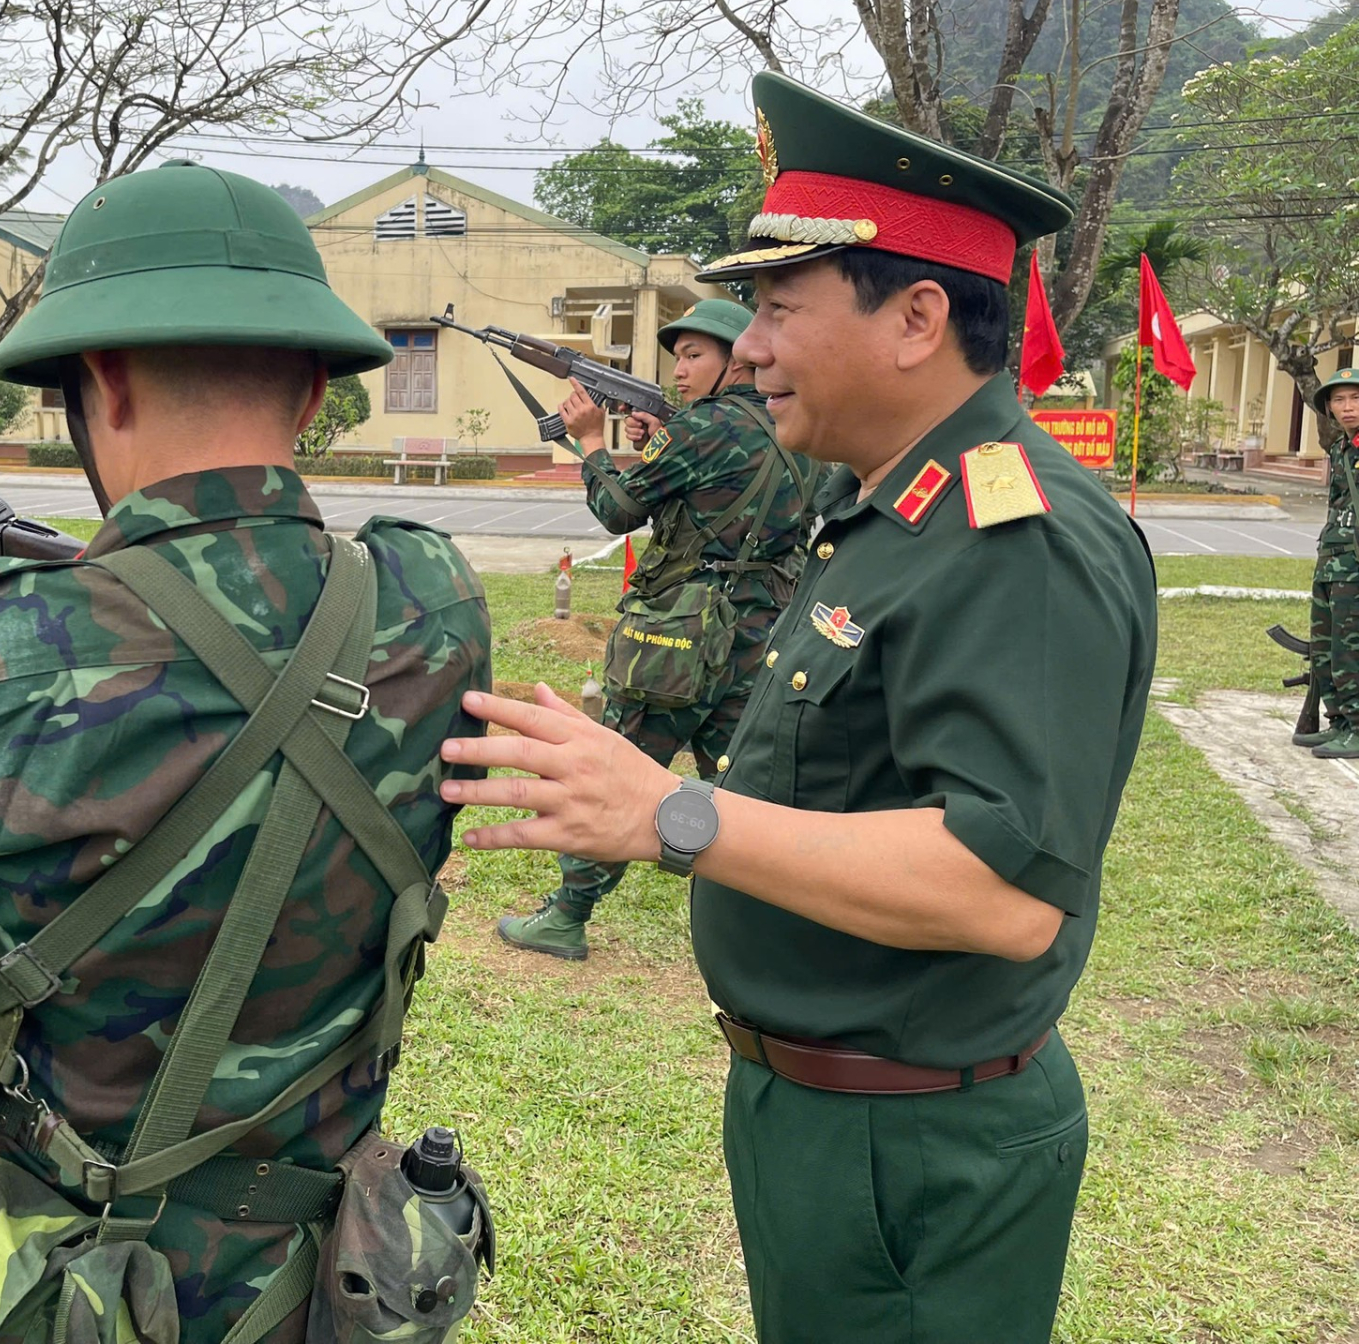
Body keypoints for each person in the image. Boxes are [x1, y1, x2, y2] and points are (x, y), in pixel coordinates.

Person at [0, 160, 493, 1344]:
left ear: (101, 381)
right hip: (325, 1270)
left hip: (67, 1277)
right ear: (319, 382)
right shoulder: (434, 602)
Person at [436, 72, 1158, 1343]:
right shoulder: (876, 505)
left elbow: (1002, 892)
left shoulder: (1013, 532)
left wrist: (676, 815)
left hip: (915, 1143)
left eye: (777, 308)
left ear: (917, 316)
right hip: (825, 1108)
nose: (749, 346)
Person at [496, 296, 815, 960]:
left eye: (696, 356)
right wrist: (662, 445)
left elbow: (617, 509)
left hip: (680, 637)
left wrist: (589, 442)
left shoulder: (701, 430)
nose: (679, 371)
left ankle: (566, 916)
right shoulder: (795, 430)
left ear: (739, 360)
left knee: (617, 770)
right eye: (675, 358)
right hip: (761, 635)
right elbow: (720, 496)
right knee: (741, 783)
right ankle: (774, 925)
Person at [1300, 366, 1359, 758]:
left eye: (1355, 398)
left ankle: (1356, 727)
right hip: (1332, 560)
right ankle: (1338, 720)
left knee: (1348, 650)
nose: (1347, 407)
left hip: (1355, 566)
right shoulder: (1340, 448)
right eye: (1338, 400)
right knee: (1324, 647)